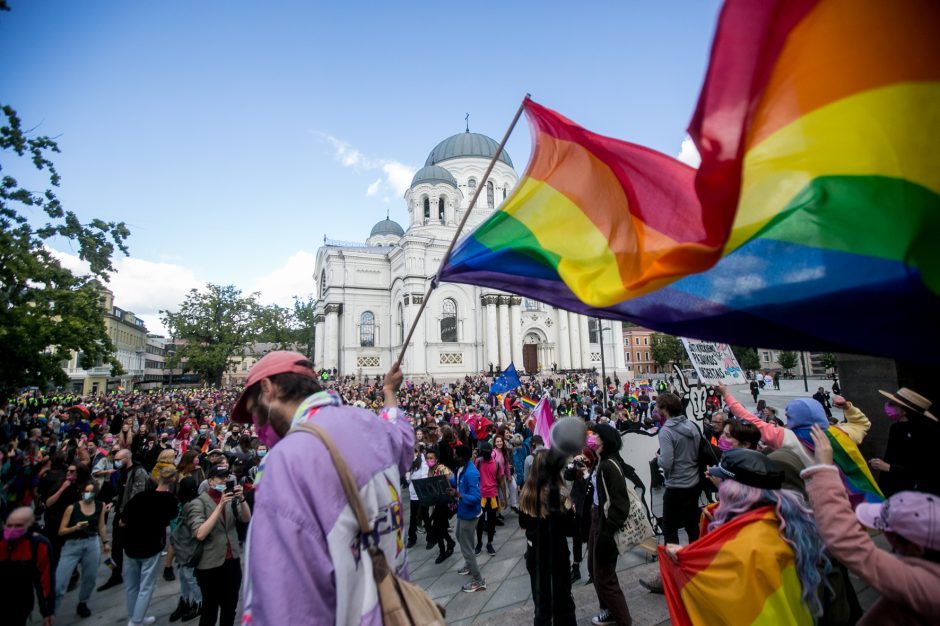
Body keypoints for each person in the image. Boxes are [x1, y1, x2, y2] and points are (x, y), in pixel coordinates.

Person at [230, 352, 413, 624]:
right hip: (397, 610)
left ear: (268, 389)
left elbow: (284, 605)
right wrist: (389, 392)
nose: (257, 427)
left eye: (254, 411)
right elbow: (402, 437)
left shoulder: (284, 463)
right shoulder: (370, 425)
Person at [660, 449, 831, 624]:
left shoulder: (746, 546)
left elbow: (723, 598)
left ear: (733, 492)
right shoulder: (784, 520)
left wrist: (682, 560)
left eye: (724, 482)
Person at [804, 425, 940, 623]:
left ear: (916, 548)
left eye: (890, 532)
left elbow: (848, 542)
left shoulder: (927, 587)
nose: (886, 535)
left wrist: (824, 471)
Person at [519, 448, 577, 625]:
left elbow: (524, 524)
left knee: (541, 604)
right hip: (557, 553)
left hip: (535, 554)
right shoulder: (560, 495)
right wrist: (572, 512)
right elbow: (570, 529)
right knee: (563, 601)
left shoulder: (526, 494)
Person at [188, 464, 250, 626]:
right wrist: (220, 505)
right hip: (210, 564)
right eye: (220, 477)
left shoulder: (231, 500)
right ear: (210, 482)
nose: (225, 480)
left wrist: (241, 499)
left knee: (230, 608)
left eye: (226, 477)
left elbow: (246, 518)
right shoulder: (198, 503)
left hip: (232, 561)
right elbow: (200, 533)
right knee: (210, 610)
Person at [122, 466, 180, 626]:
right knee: (146, 586)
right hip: (151, 545)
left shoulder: (141, 496)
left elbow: (123, 519)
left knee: (132, 586)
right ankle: (136, 620)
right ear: (173, 480)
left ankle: (134, 616)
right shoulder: (169, 500)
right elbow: (172, 517)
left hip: (131, 544)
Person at [589, 424, 633, 626]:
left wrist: (607, 534)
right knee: (595, 568)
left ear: (605, 440)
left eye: (596, 435)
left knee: (605, 576)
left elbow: (620, 504)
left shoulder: (608, 465)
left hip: (606, 524)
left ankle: (623, 619)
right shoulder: (602, 461)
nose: (592, 437)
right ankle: (608, 610)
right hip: (597, 519)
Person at [98, 448, 153, 592]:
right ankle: (116, 574)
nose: (116, 462)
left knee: (133, 546)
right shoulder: (123, 472)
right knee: (116, 546)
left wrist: (126, 517)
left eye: (118, 459)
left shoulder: (138, 472)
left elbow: (137, 496)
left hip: (131, 516)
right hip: (120, 513)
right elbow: (122, 492)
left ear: (127, 458)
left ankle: (137, 576)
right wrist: (114, 502)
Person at [869, 387, 940, 496]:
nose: (888, 406)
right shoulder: (895, 428)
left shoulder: (927, 432)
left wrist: (889, 468)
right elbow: (892, 457)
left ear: (905, 410)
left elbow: (925, 468)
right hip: (895, 489)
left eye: (893, 404)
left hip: (917, 493)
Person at [55, 478, 108, 618]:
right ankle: (51, 611)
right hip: (72, 544)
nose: (88, 494)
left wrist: (105, 542)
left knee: (90, 577)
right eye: (86, 491)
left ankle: (83, 602)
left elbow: (101, 526)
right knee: (60, 582)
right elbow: (61, 531)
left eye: (91, 492)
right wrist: (75, 527)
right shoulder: (72, 508)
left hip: (92, 543)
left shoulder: (100, 505)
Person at [655, 392, 702, 546]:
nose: (655, 409)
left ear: (664, 409)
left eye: (657, 406)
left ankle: (674, 565)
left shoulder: (666, 432)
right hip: (693, 483)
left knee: (670, 529)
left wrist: (658, 458)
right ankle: (696, 557)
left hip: (676, 486)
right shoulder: (691, 425)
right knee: (692, 526)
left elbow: (666, 462)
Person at [1, 507, 55, 626]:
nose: (12, 529)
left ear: (29, 525)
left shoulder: (38, 545)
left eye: (18, 526)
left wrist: (47, 612)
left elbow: (45, 581)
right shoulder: (1, 542)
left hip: (20, 603)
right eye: (9, 525)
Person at [453, 443, 486, 592]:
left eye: (456, 455)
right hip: (462, 511)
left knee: (467, 549)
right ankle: (469, 564)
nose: (454, 456)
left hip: (469, 514)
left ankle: (478, 580)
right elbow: (457, 481)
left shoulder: (471, 473)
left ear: (462, 457)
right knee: (459, 536)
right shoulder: (461, 468)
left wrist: (459, 495)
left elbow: (476, 497)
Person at [424, 446, 456, 564]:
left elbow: (452, 479)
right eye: (427, 458)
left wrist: (446, 479)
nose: (429, 460)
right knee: (440, 527)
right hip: (437, 504)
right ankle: (449, 543)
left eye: (431, 458)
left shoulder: (442, 468)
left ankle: (442, 551)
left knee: (437, 527)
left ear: (436, 459)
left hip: (446, 504)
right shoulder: (429, 471)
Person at [475, 440, 503, 556]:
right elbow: (474, 476)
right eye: (483, 453)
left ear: (491, 452)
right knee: (480, 522)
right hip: (481, 497)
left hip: (493, 496)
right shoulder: (478, 462)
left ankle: (489, 543)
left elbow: (501, 480)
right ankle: (479, 543)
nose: (485, 455)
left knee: (491, 522)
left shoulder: (496, 463)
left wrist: (504, 498)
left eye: (487, 453)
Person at [405, 445, 430, 549]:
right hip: (413, 494)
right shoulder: (409, 465)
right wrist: (408, 474)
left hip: (422, 494)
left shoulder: (423, 464)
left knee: (425, 516)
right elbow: (408, 481)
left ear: (416, 453)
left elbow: (423, 478)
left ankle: (430, 539)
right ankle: (412, 538)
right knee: (413, 516)